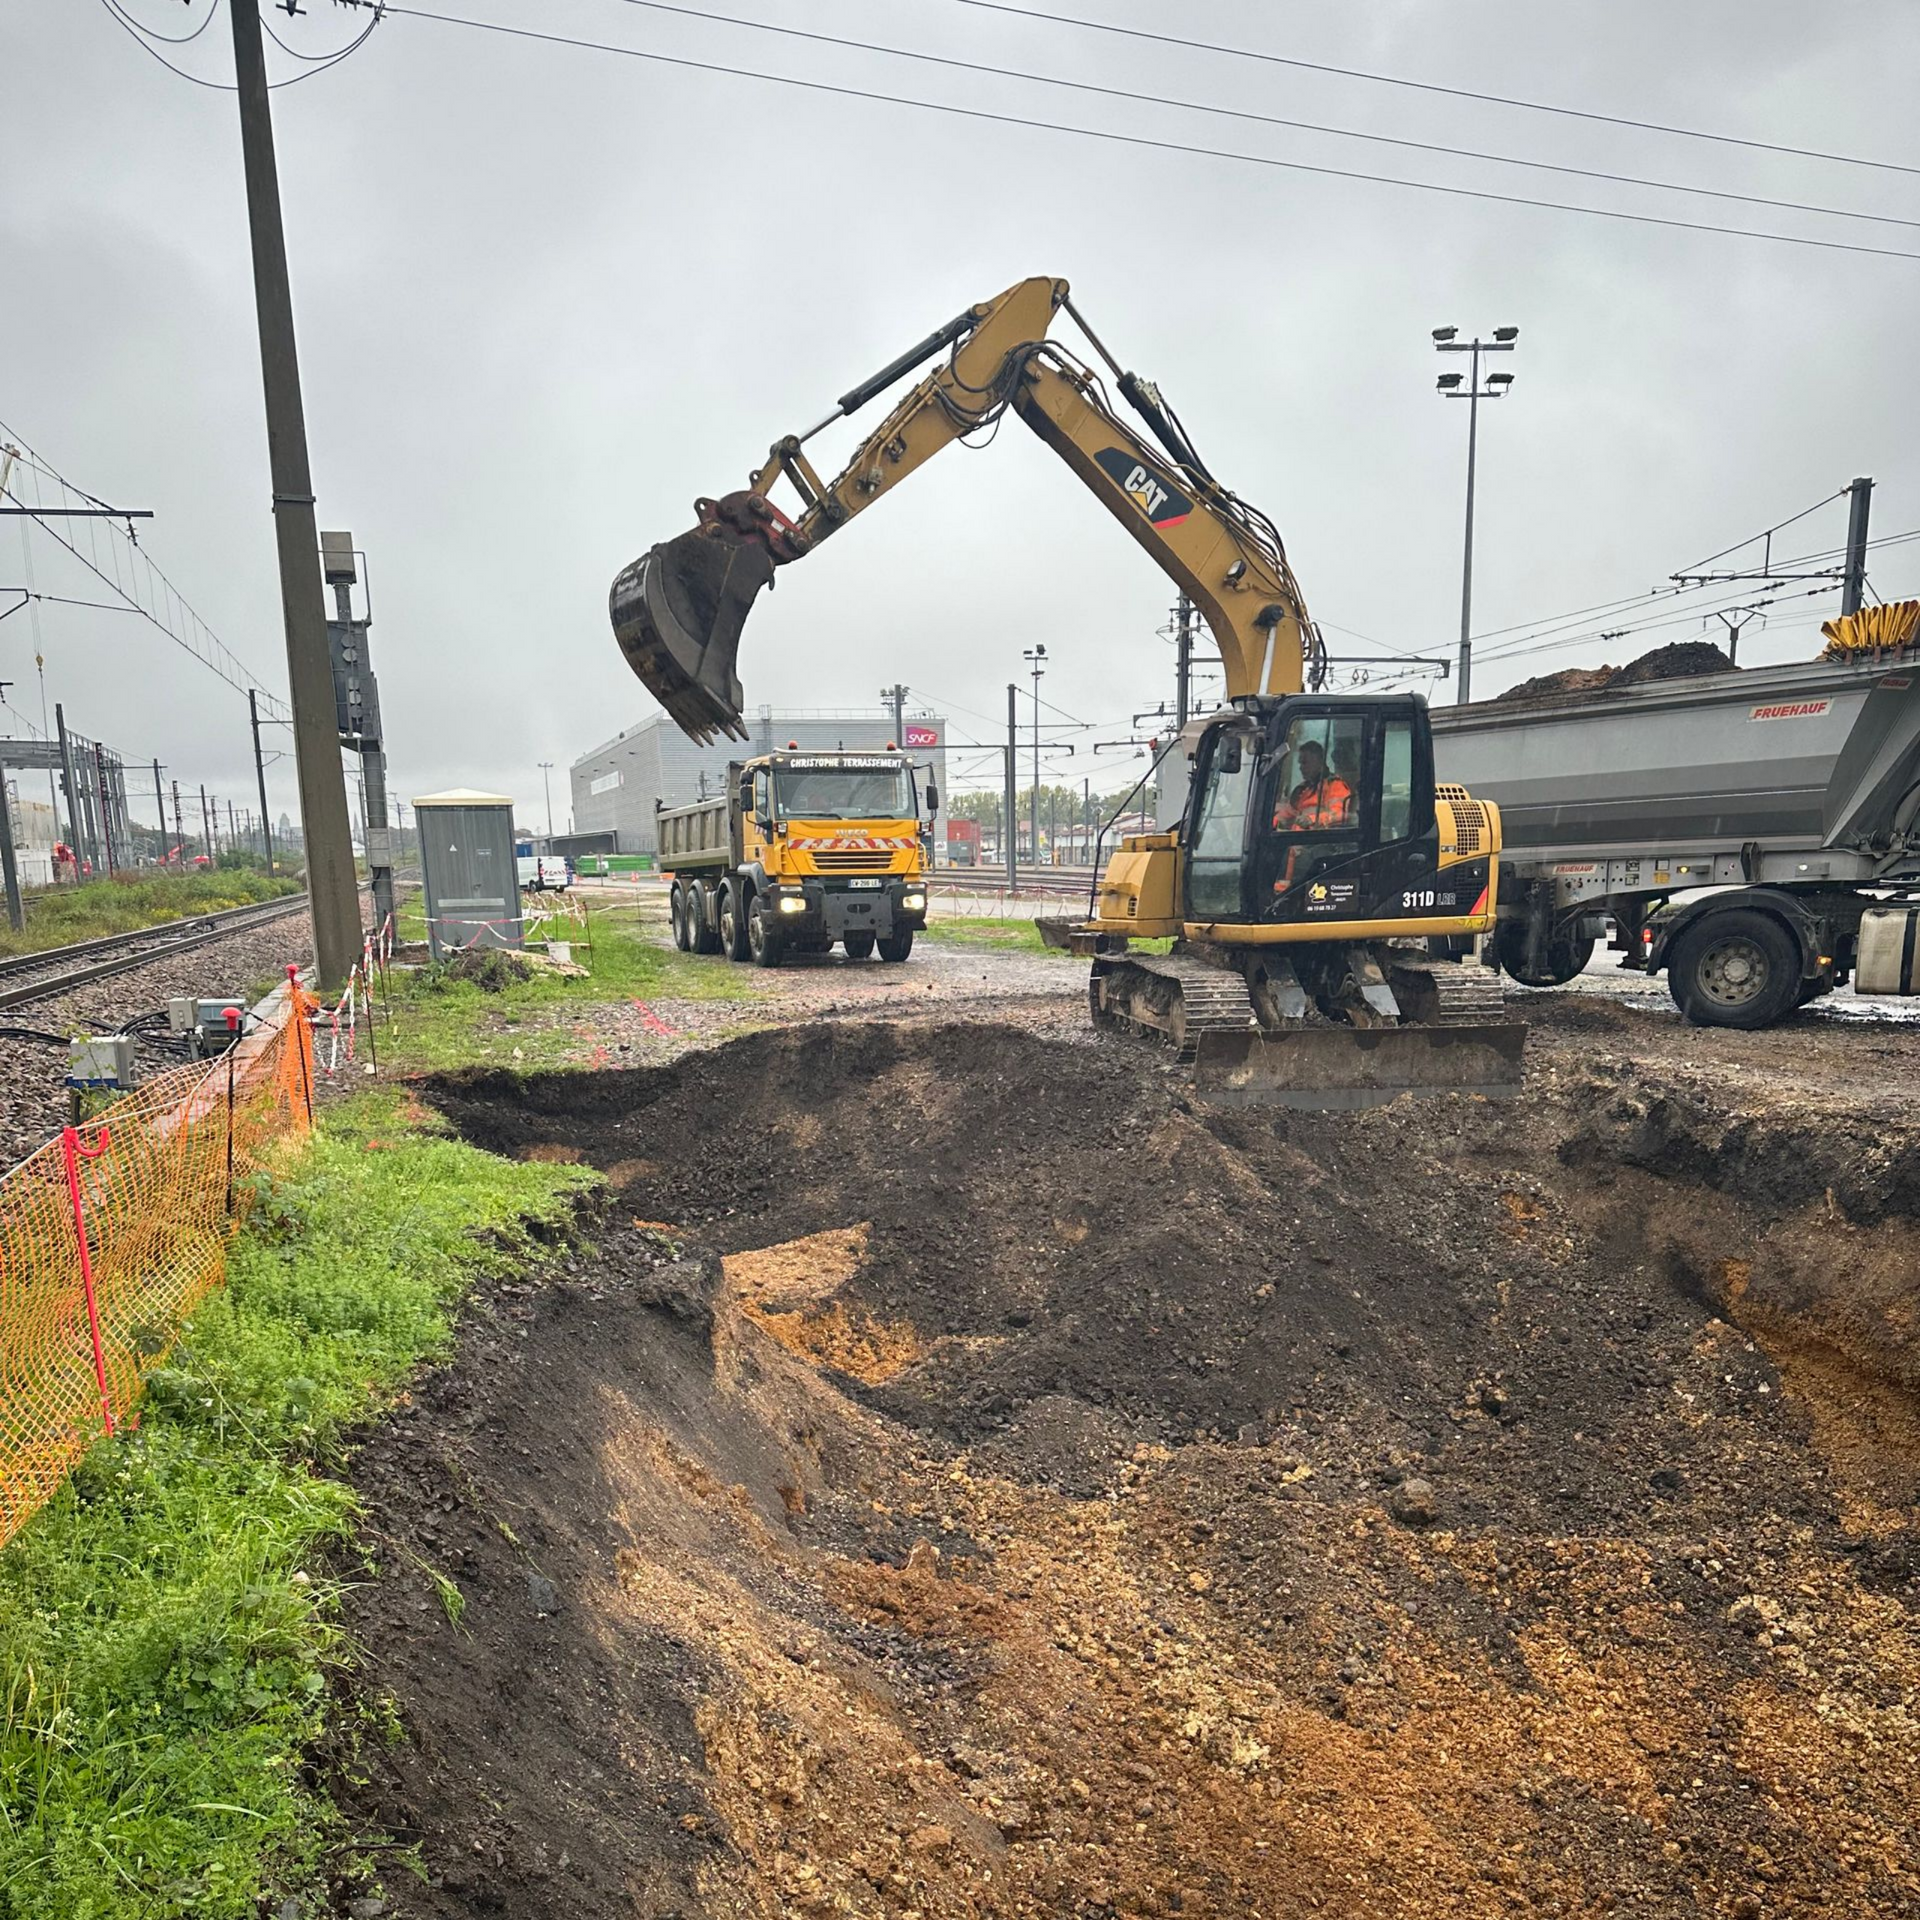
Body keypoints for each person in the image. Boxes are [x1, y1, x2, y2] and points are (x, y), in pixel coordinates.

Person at [1272, 740, 1353, 831]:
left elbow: (1339, 814)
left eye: (1305, 763)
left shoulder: (1334, 785)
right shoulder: (1302, 790)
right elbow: (1289, 813)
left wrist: (1312, 819)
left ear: (1319, 762)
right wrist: (1272, 822)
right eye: (1300, 763)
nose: (1301, 767)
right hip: (1296, 838)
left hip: (1317, 841)